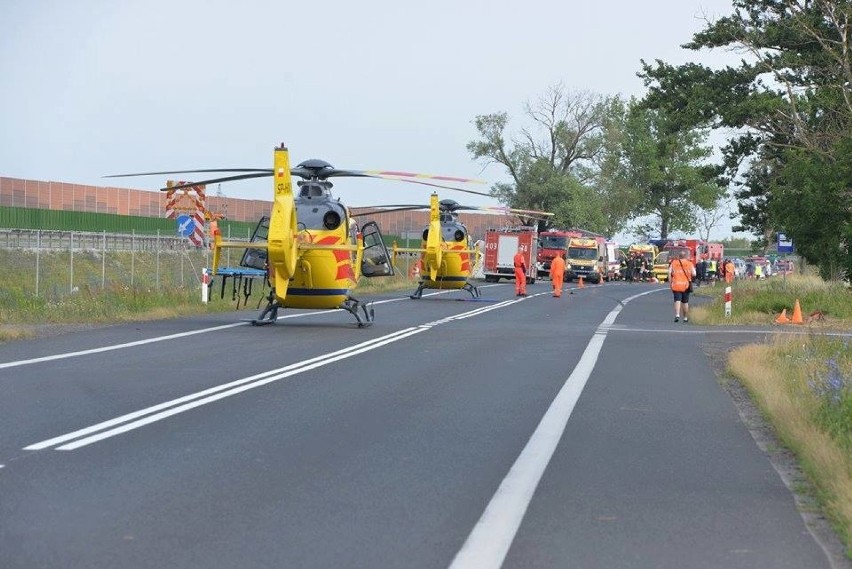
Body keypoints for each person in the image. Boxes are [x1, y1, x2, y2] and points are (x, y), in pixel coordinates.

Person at [669, 250, 696, 323]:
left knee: (677, 300)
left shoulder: (674, 263)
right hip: (686, 285)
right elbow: (694, 274)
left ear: (679, 256)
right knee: (685, 302)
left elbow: (669, 273)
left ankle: (677, 314)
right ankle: (685, 317)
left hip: (676, 284)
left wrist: (670, 283)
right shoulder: (689, 263)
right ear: (686, 256)